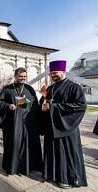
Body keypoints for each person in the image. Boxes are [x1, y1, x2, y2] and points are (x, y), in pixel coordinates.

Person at [40, 60, 87, 189]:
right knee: (52, 153)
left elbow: (80, 106)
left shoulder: (74, 87)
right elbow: (46, 103)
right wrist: (43, 105)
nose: (53, 75)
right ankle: (52, 175)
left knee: (65, 154)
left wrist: (54, 107)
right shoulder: (50, 88)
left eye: (55, 73)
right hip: (52, 127)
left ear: (63, 72)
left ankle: (67, 178)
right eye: (51, 73)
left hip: (66, 127)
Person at [0, 67, 42, 175]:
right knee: (14, 144)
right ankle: (13, 167)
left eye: (24, 77)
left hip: (27, 123)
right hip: (13, 123)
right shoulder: (7, 89)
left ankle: (27, 166)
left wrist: (27, 104)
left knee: (27, 145)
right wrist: (9, 106)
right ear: (15, 76)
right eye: (20, 76)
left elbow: (35, 105)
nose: (22, 78)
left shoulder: (29, 89)